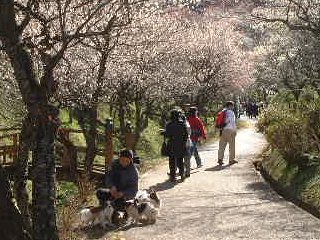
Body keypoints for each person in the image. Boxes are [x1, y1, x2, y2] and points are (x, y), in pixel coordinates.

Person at [165, 109, 188, 182]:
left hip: (172, 144)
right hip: (181, 144)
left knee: (172, 161)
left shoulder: (169, 124)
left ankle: (172, 177)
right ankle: (182, 175)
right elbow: (186, 135)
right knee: (180, 160)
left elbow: (167, 135)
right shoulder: (182, 124)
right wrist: (184, 142)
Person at [217, 101, 237, 166]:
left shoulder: (223, 111)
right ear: (230, 106)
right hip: (230, 130)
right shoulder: (231, 112)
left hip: (223, 130)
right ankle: (231, 160)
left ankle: (220, 159)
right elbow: (231, 122)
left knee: (222, 146)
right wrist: (234, 130)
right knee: (231, 146)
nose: (233, 107)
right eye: (232, 105)